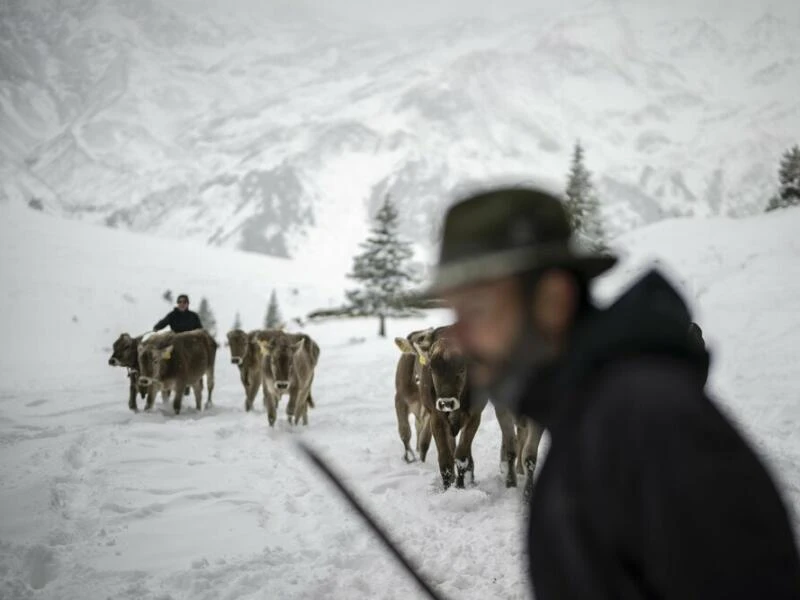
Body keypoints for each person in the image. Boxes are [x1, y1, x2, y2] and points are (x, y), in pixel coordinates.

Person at [425, 185, 800, 599]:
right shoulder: (588, 414)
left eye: (476, 310)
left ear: (553, 298)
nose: (459, 337)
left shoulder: (653, 425)